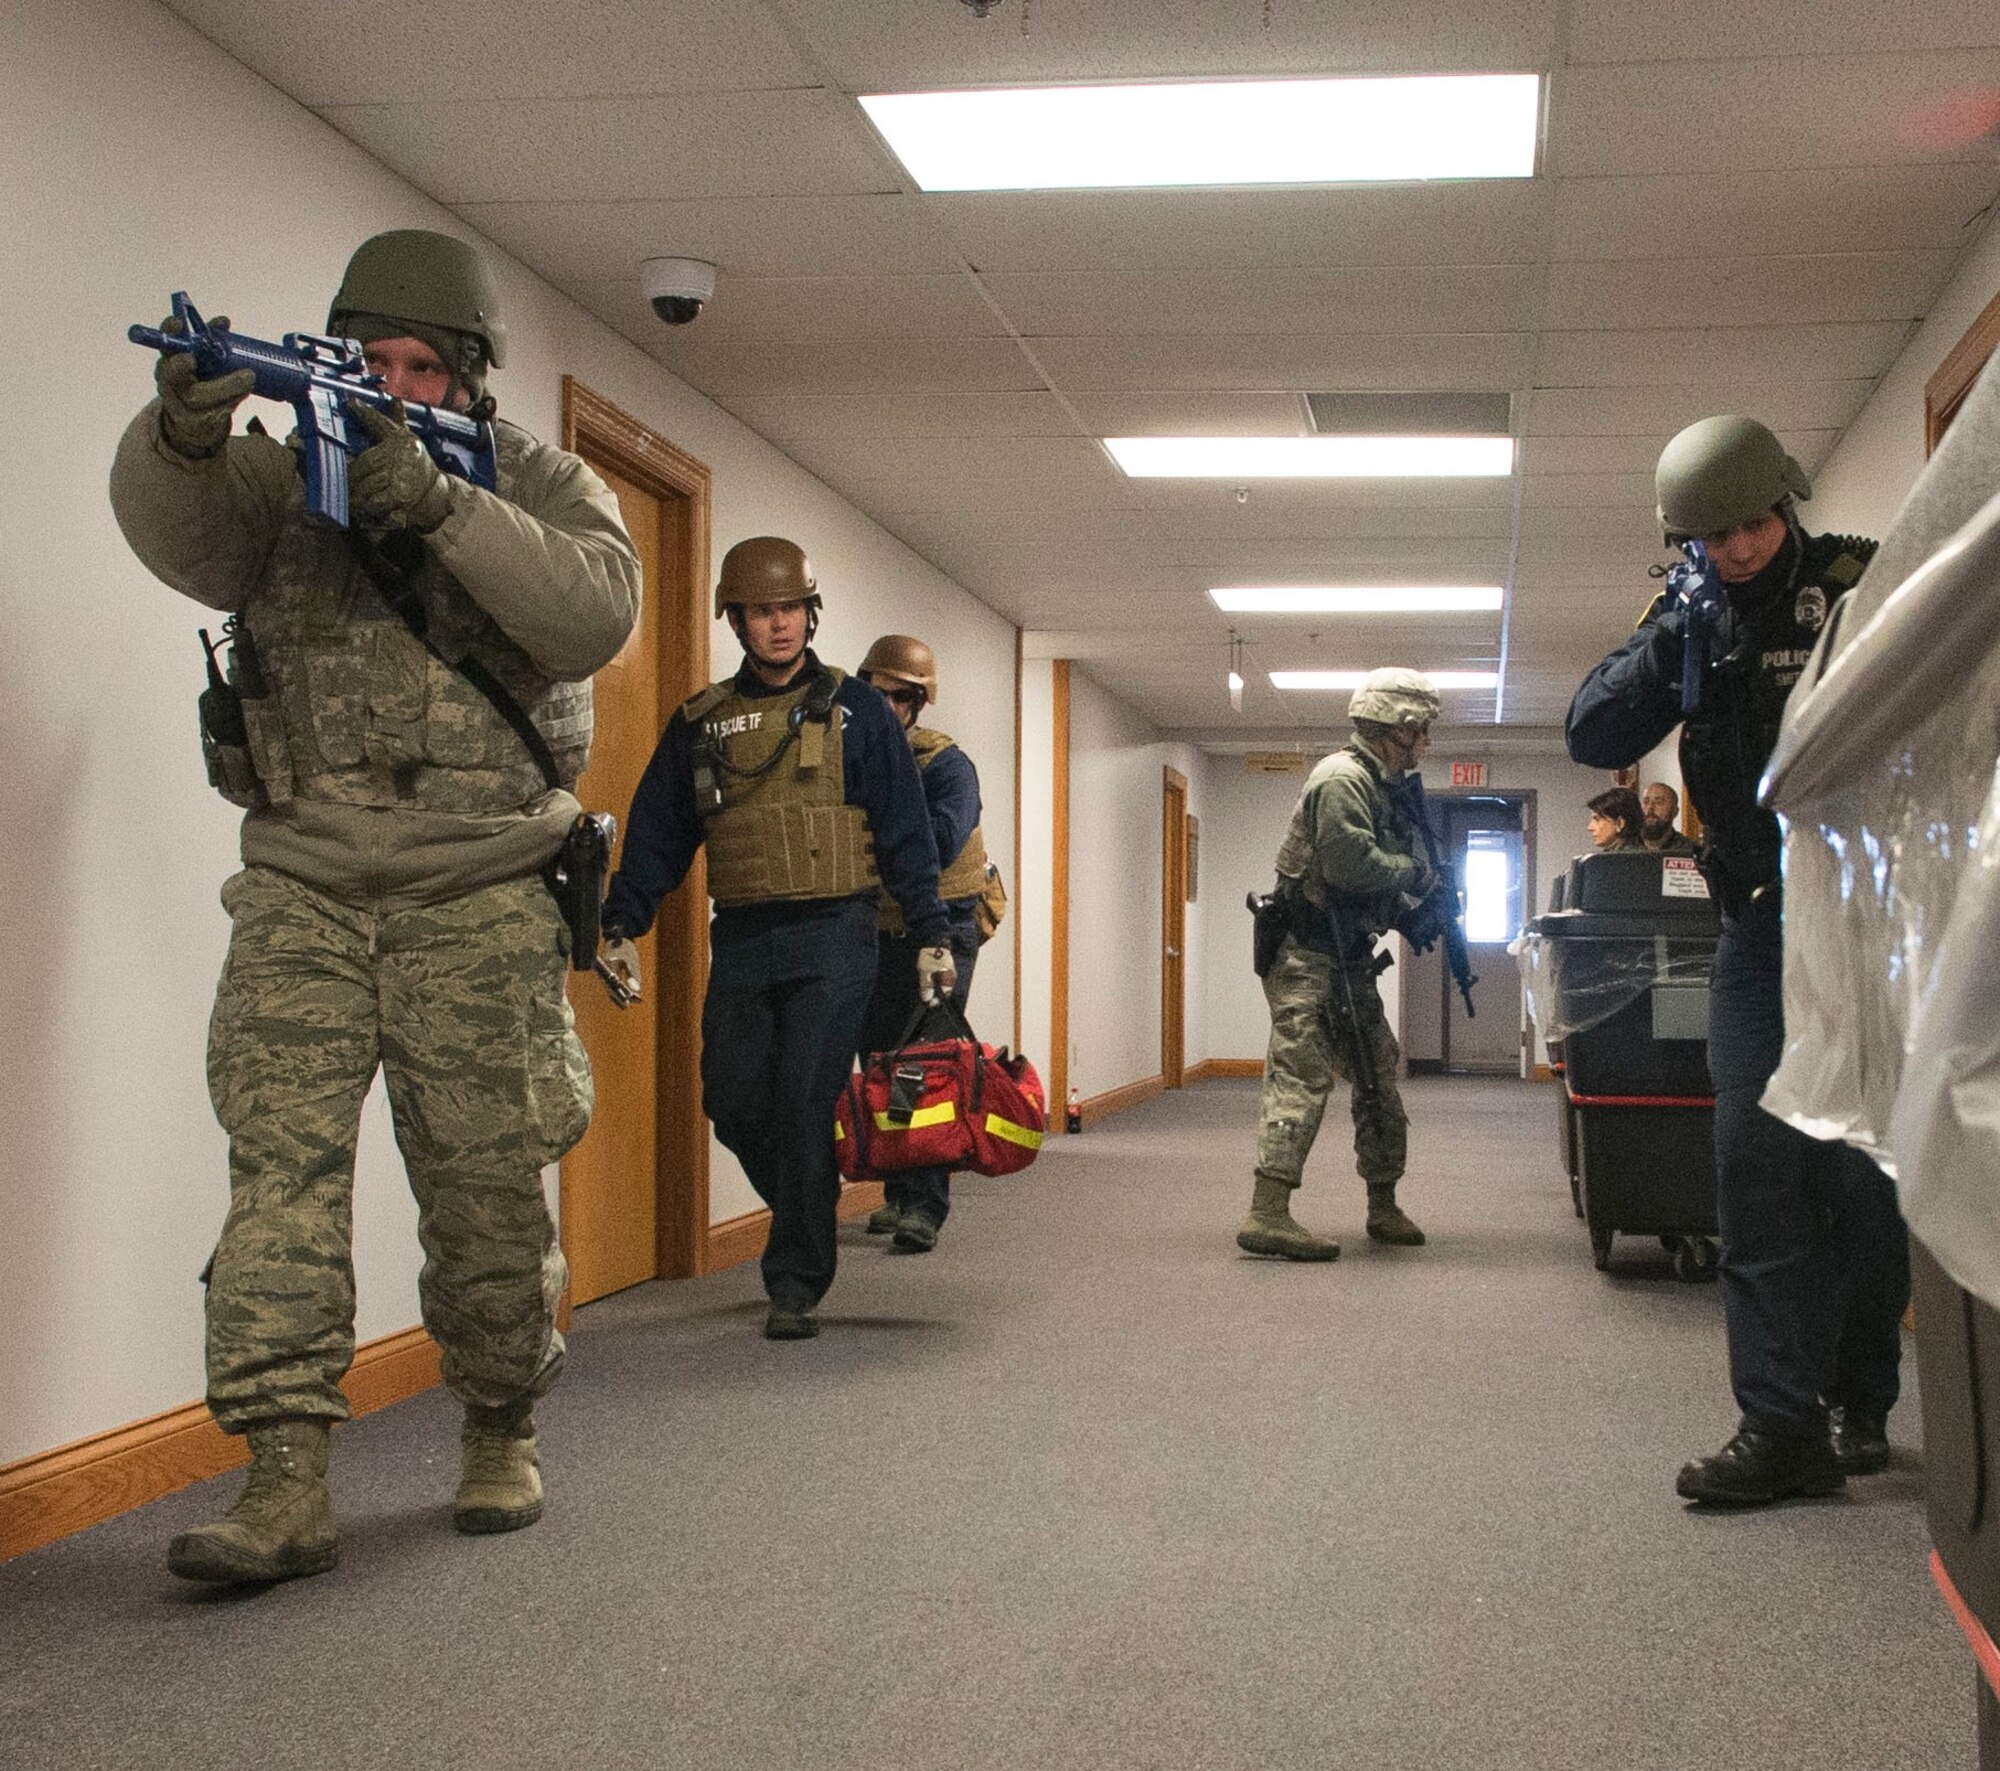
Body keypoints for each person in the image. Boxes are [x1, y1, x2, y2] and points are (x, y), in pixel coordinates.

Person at [108, 229, 642, 1583]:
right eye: (371, 362)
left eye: (422, 367)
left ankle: (501, 1419)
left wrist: (441, 504)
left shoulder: (538, 480)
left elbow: (590, 615)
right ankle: (282, 1473)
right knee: (276, 1175)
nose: (394, 387)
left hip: (477, 893)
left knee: (484, 1185)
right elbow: (181, 539)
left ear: (471, 376)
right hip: (305, 882)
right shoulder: (286, 480)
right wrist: (180, 433)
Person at [1567, 414, 1910, 1505]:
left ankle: (1861, 1393)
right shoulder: (1688, 613)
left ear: (1786, 504)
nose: (1739, 549)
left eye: (1753, 525)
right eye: (1713, 537)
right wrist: (1672, 640)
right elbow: (1588, 729)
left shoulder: (1861, 580)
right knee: (1751, 1164)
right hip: (1755, 927)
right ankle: (1780, 1426)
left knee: (1855, 1174)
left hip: (1866, 921)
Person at [600, 539, 951, 1339]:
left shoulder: (859, 714)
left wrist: (931, 930)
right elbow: (661, 828)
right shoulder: (704, 721)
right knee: (729, 1096)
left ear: (811, 613)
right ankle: (810, 1190)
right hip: (749, 934)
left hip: (838, 932)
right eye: (762, 611)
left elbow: (904, 829)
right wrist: (625, 917)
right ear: (737, 620)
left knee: (801, 1099)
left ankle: (794, 1279)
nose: (779, 624)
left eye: (790, 608)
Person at [1238, 668, 1442, 1262]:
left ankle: (1383, 1202)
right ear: (1394, 728)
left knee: (1378, 1072)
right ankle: (1268, 1211)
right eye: (1420, 729)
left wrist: (1410, 911)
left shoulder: (1381, 785)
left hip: (1347, 956)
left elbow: (1363, 880)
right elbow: (1352, 865)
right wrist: (1413, 874)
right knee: (1301, 1073)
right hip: (1305, 954)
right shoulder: (1341, 778)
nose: (1426, 740)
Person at [851, 635, 988, 1253]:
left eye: (899, 698)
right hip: (874, 930)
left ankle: (925, 1205)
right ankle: (898, 1190)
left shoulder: (946, 766)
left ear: (917, 704)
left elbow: (937, 839)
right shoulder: (850, 757)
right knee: (879, 1059)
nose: (886, 708)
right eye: (876, 695)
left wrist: (875, 822)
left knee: (923, 1065)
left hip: (941, 931)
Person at [1640, 782, 1700, 856]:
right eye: (1646, 802)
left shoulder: (1689, 850)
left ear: (1675, 812)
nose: (1650, 809)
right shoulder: (1626, 847)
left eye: (1659, 803)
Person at [1585, 786, 1645, 852]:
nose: (1590, 827)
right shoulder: (1641, 855)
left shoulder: (1622, 859)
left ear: (1619, 823)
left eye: (1597, 819)